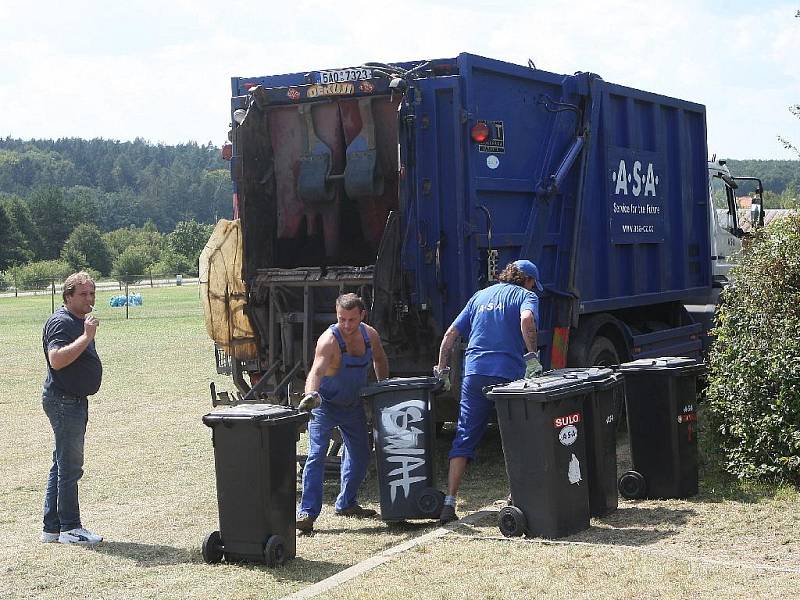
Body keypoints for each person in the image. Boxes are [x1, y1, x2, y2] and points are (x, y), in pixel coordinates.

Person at [434, 260, 543, 524]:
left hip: (475, 374)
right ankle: (515, 497)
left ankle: (449, 502)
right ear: (527, 280)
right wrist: (532, 357)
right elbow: (526, 319)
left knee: (464, 436)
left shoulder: (479, 297)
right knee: (518, 436)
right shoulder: (525, 295)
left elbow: (450, 335)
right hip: (508, 375)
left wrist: (443, 371)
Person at [296, 293, 389, 532]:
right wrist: (311, 396)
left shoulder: (370, 335)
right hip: (324, 406)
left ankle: (347, 503)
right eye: (341, 319)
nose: (346, 325)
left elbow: (379, 359)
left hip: (352, 406)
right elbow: (315, 372)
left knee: (360, 456)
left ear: (362, 316)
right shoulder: (329, 340)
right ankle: (307, 513)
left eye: (351, 319)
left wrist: (384, 389)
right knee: (316, 456)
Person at [40, 272, 104, 545]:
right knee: (69, 467)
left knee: (60, 464)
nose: (90, 299)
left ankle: (52, 528)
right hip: (64, 402)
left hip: (72, 400)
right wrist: (87, 337)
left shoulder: (77, 321)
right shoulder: (62, 322)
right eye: (83, 294)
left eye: (92, 293)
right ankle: (70, 527)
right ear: (68, 297)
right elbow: (56, 359)